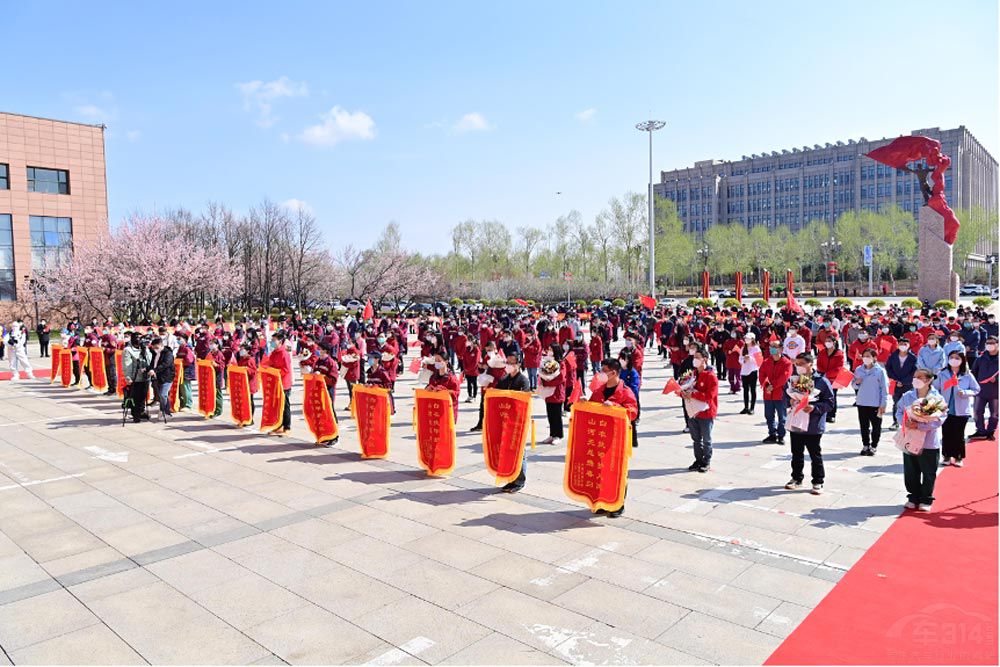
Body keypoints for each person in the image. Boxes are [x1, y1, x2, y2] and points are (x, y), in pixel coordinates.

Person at [587, 358, 639, 517]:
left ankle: (617, 504)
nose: (600, 373)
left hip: (618, 438)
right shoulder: (599, 391)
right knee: (600, 471)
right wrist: (583, 403)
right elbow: (591, 408)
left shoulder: (625, 391)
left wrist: (615, 407)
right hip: (601, 437)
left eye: (604, 370)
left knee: (617, 471)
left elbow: (633, 413)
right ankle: (602, 502)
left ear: (613, 373)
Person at [784, 353, 836, 494]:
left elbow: (830, 403)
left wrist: (814, 408)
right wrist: (790, 401)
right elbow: (786, 395)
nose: (798, 366)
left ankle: (818, 481)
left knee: (815, 454)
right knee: (796, 453)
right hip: (796, 421)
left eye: (801, 363)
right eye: (797, 364)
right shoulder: (795, 379)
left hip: (813, 424)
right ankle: (796, 478)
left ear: (810, 364)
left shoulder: (821, 381)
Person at [895, 369, 945, 511]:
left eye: (920, 377)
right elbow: (899, 411)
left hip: (928, 442)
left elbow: (940, 419)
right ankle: (913, 497)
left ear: (929, 380)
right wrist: (905, 422)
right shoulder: (908, 396)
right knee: (911, 470)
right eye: (915, 377)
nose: (916, 379)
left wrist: (920, 425)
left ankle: (926, 499)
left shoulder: (937, 398)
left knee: (929, 472)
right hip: (910, 439)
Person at [934, 351, 980, 467]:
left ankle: (958, 457)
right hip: (945, 409)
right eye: (952, 357)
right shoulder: (942, 373)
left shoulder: (967, 374)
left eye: (957, 358)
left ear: (962, 360)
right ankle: (946, 456)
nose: (954, 360)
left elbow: (976, 389)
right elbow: (935, 388)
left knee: (958, 435)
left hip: (961, 410)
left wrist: (965, 392)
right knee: (946, 433)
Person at [495, 354, 531, 492]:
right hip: (506, 420)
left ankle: (520, 481)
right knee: (507, 451)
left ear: (518, 364)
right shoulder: (504, 379)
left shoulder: (523, 380)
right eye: (508, 362)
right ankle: (510, 479)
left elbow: (524, 399)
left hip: (518, 421)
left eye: (512, 363)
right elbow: (497, 394)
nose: (509, 365)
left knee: (519, 451)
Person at [682, 345, 718, 473]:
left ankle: (706, 461)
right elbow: (685, 386)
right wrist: (683, 392)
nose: (695, 360)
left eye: (698, 357)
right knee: (696, 439)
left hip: (706, 412)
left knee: (706, 439)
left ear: (705, 359)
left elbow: (709, 396)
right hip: (693, 411)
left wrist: (693, 394)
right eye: (694, 357)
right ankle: (698, 460)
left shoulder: (711, 376)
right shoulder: (692, 374)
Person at [852, 350, 889, 456]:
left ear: (874, 358)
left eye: (868, 356)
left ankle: (874, 445)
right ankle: (865, 445)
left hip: (875, 403)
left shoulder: (880, 371)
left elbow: (884, 388)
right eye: (864, 356)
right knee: (864, 426)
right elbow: (853, 385)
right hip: (862, 402)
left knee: (876, 426)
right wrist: (857, 383)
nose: (866, 358)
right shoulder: (858, 369)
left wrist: (883, 403)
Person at [759, 340, 792, 445]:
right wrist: (766, 385)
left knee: (782, 417)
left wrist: (773, 386)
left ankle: (781, 435)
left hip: (780, 394)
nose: (772, 349)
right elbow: (761, 375)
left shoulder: (787, 363)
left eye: (775, 347)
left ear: (781, 349)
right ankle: (772, 434)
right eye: (771, 347)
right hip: (768, 393)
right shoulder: (766, 361)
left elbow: (784, 377)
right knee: (769, 415)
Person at [262, 330, 294, 434]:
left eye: (274, 340)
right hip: (276, 383)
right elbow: (270, 363)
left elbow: (286, 369)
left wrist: (276, 372)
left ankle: (287, 427)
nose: (272, 342)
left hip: (284, 383)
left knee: (285, 406)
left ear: (280, 341)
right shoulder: (274, 353)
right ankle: (278, 426)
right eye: (271, 340)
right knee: (277, 406)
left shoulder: (284, 353)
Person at [969, 336, 998, 441]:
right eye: (988, 343)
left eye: (992, 343)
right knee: (977, 412)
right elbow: (973, 373)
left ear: (997, 344)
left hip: (996, 392)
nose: (990, 345)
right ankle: (980, 431)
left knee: (994, 414)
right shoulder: (980, 358)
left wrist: (997, 380)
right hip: (980, 391)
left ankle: (990, 432)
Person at [885, 338, 917, 430]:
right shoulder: (892, 356)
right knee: (896, 402)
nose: (903, 346)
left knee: (909, 403)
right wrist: (896, 380)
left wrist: (904, 381)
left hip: (908, 383)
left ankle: (910, 421)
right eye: (901, 344)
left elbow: (914, 371)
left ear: (908, 345)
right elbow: (888, 369)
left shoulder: (913, 358)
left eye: (905, 344)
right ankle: (896, 422)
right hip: (895, 383)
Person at [538, 344, 566, 445]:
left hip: (557, 393)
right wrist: (543, 380)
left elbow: (561, 378)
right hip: (548, 393)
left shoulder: (561, 363)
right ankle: (552, 434)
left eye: (551, 349)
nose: (549, 351)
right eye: (548, 349)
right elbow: (543, 374)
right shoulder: (547, 362)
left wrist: (548, 382)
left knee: (556, 415)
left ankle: (558, 435)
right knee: (550, 415)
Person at [121, 333, 151, 423]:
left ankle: (142, 411)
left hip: (145, 376)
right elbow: (127, 365)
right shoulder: (128, 350)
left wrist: (145, 350)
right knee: (136, 397)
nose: (140, 340)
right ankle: (135, 414)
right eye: (138, 338)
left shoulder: (145, 348)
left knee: (143, 396)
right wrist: (128, 377)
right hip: (135, 377)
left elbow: (149, 360)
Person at [816, 336, 845, 423]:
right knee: (822, 395)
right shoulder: (822, 352)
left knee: (832, 396)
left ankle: (831, 415)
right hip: (822, 376)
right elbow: (818, 363)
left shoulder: (839, 354)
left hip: (834, 379)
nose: (827, 343)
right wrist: (822, 373)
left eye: (829, 341)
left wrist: (827, 374)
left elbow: (839, 367)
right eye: (826, 341)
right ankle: (823, 413)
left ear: (834, 342)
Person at [148, 337, 176, 419]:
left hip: (167, 377)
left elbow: (165, 364)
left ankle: (165, 411)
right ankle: (164, 411)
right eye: (153, 348)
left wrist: (154, 370)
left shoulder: (168, 353)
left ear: (161, 345)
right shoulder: (155, 353)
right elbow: (153, 363)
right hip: (157, 377)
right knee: (161, 395)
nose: (155, 349)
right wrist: (148, 369)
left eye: (156, 347)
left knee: (163, 395)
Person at [739, 333, 761, 415]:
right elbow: (740, 359)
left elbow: (759, 361)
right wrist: (744, 360)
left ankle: (752, 408)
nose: (746, 340)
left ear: (752, 339)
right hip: (744, 371)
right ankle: (746, 407)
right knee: (745, 390)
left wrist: (750, 358)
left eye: (748, 338)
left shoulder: (756, 348)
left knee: (752, 389)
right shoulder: (743, 348)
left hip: (752, 370)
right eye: (745, 338)